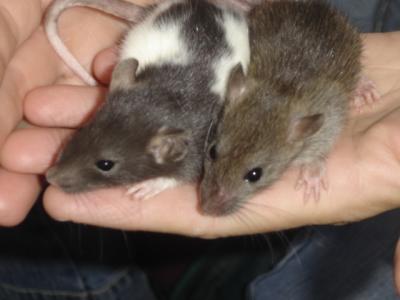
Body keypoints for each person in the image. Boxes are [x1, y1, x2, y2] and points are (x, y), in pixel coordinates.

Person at [0, 0, 400, 298]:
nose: (208, 196)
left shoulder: (296, 118)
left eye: (253, 175)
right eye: (214, 151)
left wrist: (313, 160)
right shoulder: (237, 92)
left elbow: (328, 104)